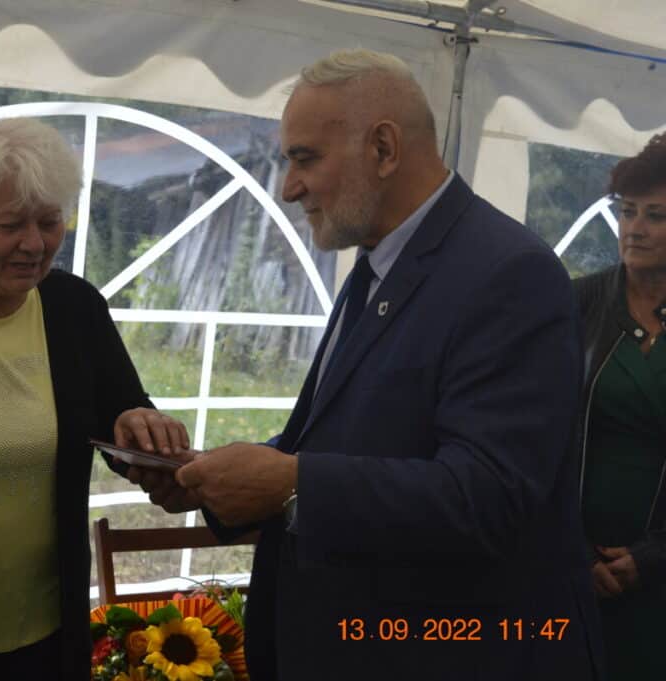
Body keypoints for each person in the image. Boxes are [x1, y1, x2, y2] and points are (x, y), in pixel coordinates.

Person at [131, 49, 603, 680]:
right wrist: (214, 479)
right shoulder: (380, 263)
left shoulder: (510, 274)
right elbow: (348, 441)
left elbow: (489, 495)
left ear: (383, 149)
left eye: (305, 159)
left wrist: (292, 483)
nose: (288, 187)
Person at [0, 117, 190, 679]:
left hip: (50, 630)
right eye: (9, 225)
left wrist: (144, 430)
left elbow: (121, 418)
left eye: (49, 221)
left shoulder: (75, 308)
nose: (35, 243)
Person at [573, 134, 666, 680]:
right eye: (628, 211)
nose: (635, 228)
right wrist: (575, 550)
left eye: (656, 215)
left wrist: (652, 559)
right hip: (568, 561)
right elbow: (538, 436)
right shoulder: (578, 304)